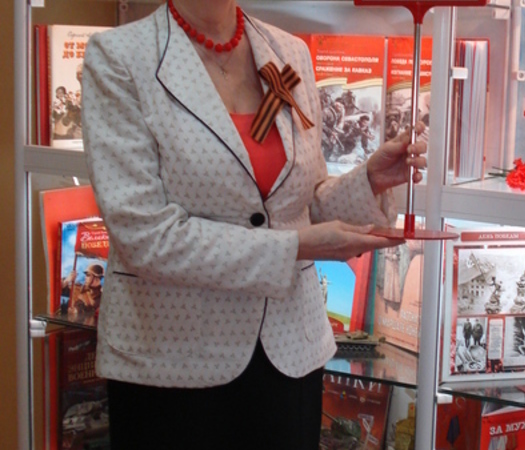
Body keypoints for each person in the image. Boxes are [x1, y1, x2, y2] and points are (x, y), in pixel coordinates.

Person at [81, 1, 427, 448]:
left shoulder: (288, 51)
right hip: (171, 366)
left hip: (289, 358)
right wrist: (294, 247)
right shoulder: (120, 57)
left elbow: (299, 204)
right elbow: (145, 237)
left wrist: (368, 181)